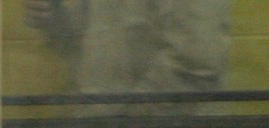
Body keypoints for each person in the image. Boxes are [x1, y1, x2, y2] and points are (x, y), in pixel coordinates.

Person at [24, 0, 232, 114]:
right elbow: (84, 45)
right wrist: (53, 16)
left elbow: (195, 64)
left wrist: (123, 121)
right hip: (104, 127)